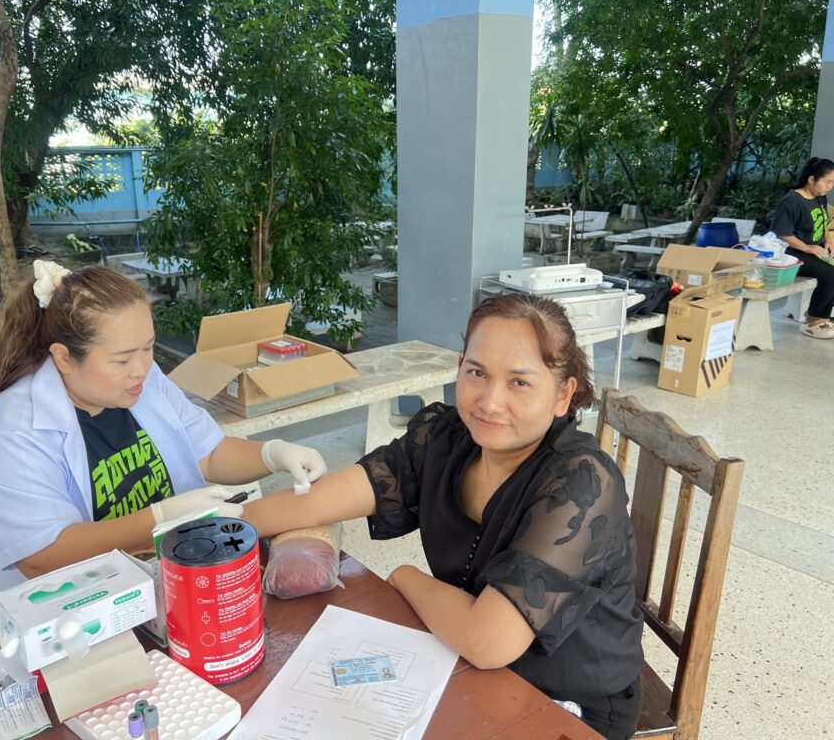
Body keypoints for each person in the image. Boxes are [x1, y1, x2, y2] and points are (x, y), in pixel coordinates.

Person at [244, 294, 644, 740]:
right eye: (477, 373)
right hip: (467, 665)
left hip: (567, 701)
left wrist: (405, 575)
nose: (489, 402)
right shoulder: (448, 436)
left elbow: (488, 641)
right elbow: (321, 500)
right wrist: (223, 525)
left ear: (563, 394)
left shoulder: (582, 484)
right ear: (459, 367)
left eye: (519, 382)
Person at [0, 260, 326, 615]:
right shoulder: (15, 429)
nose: (141, 368)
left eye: (148, 348)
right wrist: (161, 519)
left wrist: (272, 454)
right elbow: (42, 556)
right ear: (63, 358)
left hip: (141, 592)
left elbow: (209, 454)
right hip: (41, 615)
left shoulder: (142, 381)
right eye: (122, 359)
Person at [772, 156, 834, 339]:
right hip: (793, 253)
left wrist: (828, 241)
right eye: (827, 181)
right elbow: (781, 233)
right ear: (812, 179)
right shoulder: (792, 200)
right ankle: (815, 320)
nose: (830, 187)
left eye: (833, 183)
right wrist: (808, 248)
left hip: (815, 250)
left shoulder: (820, 196)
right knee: (831, 275)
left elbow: (824, 222)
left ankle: (822, 314)